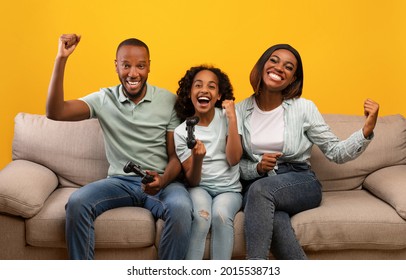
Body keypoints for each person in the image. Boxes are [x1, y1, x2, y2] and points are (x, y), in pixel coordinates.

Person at [46, 34, 193, 260]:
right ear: (116, 66)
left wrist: (162, 181)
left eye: (140, 66)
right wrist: (61, 58)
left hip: (161, 182)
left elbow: (175, 157)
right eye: (126, 65)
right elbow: (55, 112)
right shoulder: (103, 99)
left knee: (182, 209)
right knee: (77, 202)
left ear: (149, 67)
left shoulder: (167, 101)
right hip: (119, 183)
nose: (133, 73)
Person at [236, 44, 379, 260]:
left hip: (299, 181)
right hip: (259, 183)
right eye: (274, 60)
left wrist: (366, 131)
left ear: (293, 78)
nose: (279, 68)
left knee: (260, 191)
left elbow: (335, 152)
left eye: (288, 67)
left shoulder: (304, 108)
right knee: (274, 218)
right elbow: (233, 162)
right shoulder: (239, 110)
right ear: (262, 65)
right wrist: (256, 167)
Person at [173, 65, 242, 259]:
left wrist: (232, 119)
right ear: (190, 93)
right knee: (202, 218)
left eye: (211, 87)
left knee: (221, 215)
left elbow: (234, 158)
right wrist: (197, 159)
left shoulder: (228, 118)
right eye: (198, 85)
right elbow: (193, 181)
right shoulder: (181, 132)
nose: (204, 90)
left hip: (229, 190)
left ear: (219, 95)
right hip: (200, 188)